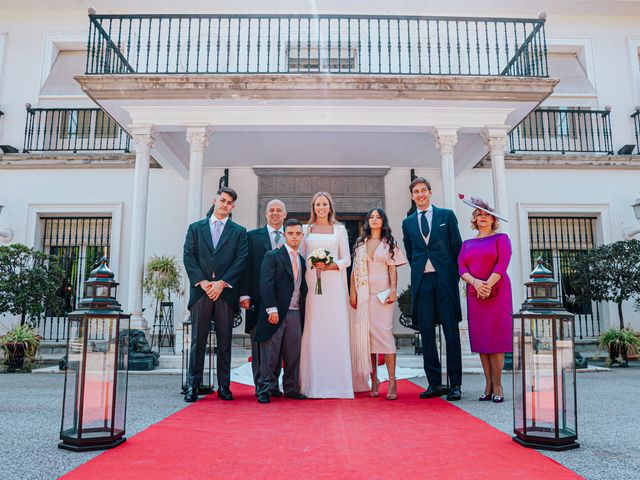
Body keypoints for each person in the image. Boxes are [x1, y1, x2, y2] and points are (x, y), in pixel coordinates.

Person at [183, 187, 248, 403]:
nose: (225, 204)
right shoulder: (195, 228)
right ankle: (193, 385)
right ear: (215, 200)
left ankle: (224, 386)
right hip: (201, 292)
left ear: (233, 207)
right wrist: (203, 282)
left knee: (225, 342)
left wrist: (221, 283)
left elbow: (241, 260)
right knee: (198, 340)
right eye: (222, 200)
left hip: (225, 292)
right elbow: (188, 256)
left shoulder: (239, 231)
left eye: (229, 202)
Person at [401, 177, 463, 401]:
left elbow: (457, 247)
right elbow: (411, 253)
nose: (420, 194)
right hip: (422, 283)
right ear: (412, 196)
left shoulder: (446, 216)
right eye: (416, 191)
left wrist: (453, 277)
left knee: (450, 332)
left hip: (445, 280)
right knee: (426, 334)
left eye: (423, 190)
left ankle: (455, 384)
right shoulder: (408, 223)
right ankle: (434, 383)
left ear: (430, 192)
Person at [457, 195, 512, 403]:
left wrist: (487, 284)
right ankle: (487, 383)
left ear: (493, 219)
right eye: (479, 214)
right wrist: (476, 284)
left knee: (496, 339)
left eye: (487, 214)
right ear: (474, 219)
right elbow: (461, 267)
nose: (483, 217)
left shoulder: (501, 239)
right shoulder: (466, 243)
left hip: (497, 294)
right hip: (476, 294)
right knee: (482, 339)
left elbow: (502, 264)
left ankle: (498, 384)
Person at [299, 192, 354, 398]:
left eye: (324, 204)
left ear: (330, 207)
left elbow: (347, 259)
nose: (321, 208)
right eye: (317, 204)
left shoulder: (339, 230)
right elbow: (301, 256)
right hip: (312, 283)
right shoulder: (306, 230)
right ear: (313, 207)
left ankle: (338, 384)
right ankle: (312, 383)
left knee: (334, 326)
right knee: (314, 327)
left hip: (334, 286)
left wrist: (330, 266)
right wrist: (313, 264)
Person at [350, 208, 407, 400]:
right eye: (371, 217)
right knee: (368, 338)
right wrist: (353, 292)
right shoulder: (360, 243)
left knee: (385, 335)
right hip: (364, 293)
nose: (374, 220)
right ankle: (373, 380)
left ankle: (392, 380)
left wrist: (393, 289)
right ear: (367, 221)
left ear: (383, 221)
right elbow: (354, 270)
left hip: (383, 295)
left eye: (378, 217)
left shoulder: (389, 243)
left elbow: (392, 269)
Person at [254, 219, 308, 404]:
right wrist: (271, 309)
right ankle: (265, 389)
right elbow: (266, 284)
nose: (294, 237)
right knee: (270, 353)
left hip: (295, 312)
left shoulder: (301, 260)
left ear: (302, 235)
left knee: (293, 354)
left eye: (298, 234)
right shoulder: (273, 256)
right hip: (275, 313)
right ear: (284, 235)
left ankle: (291, 388)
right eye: (290, 233)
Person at [239, 199, 287, 392]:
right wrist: (243, 294)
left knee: (280, 344)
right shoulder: (252, 237)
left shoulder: (292, 236)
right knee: (260, 344)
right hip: (257, 299)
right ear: (266, 214)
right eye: (271, 210)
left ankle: (274, 383)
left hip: (285, 300)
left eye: (279, 210)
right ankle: (261, 384)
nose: (275, 213)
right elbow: (245, 267)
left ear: (285, 214)